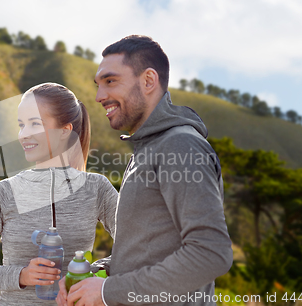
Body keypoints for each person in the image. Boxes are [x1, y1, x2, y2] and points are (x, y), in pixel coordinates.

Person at [56, 36, 233, 306]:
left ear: (148, 81)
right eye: (98, 85)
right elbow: (147, 251)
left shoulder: (179, 145)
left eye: (111, 81)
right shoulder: (149, 150)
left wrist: (107, 292)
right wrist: (93, 273)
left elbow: (211, 253)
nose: (99, 96)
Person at [0, 83, 118, 306]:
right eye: (21, 125)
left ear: (64, 130)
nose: (24, 134)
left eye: (35, 124)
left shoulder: (96, 188)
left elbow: (138, 247)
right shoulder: (1, 193)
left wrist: (93, 270)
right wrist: (21, 275)